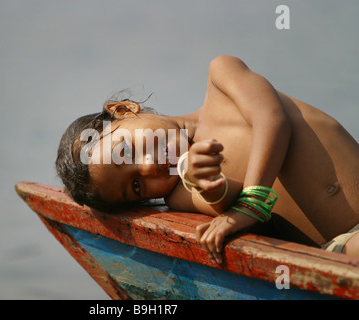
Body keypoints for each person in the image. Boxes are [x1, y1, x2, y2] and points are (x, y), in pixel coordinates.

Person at [56, 55, 359, 264]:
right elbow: (222, 197)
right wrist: (209, 185)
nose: (148, 167)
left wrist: (252, 204)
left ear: (124, 109)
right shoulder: (181, 192)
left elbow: (272, 119)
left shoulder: (221, 77)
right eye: (136, 186)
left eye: (127, 151)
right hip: (339, 247)